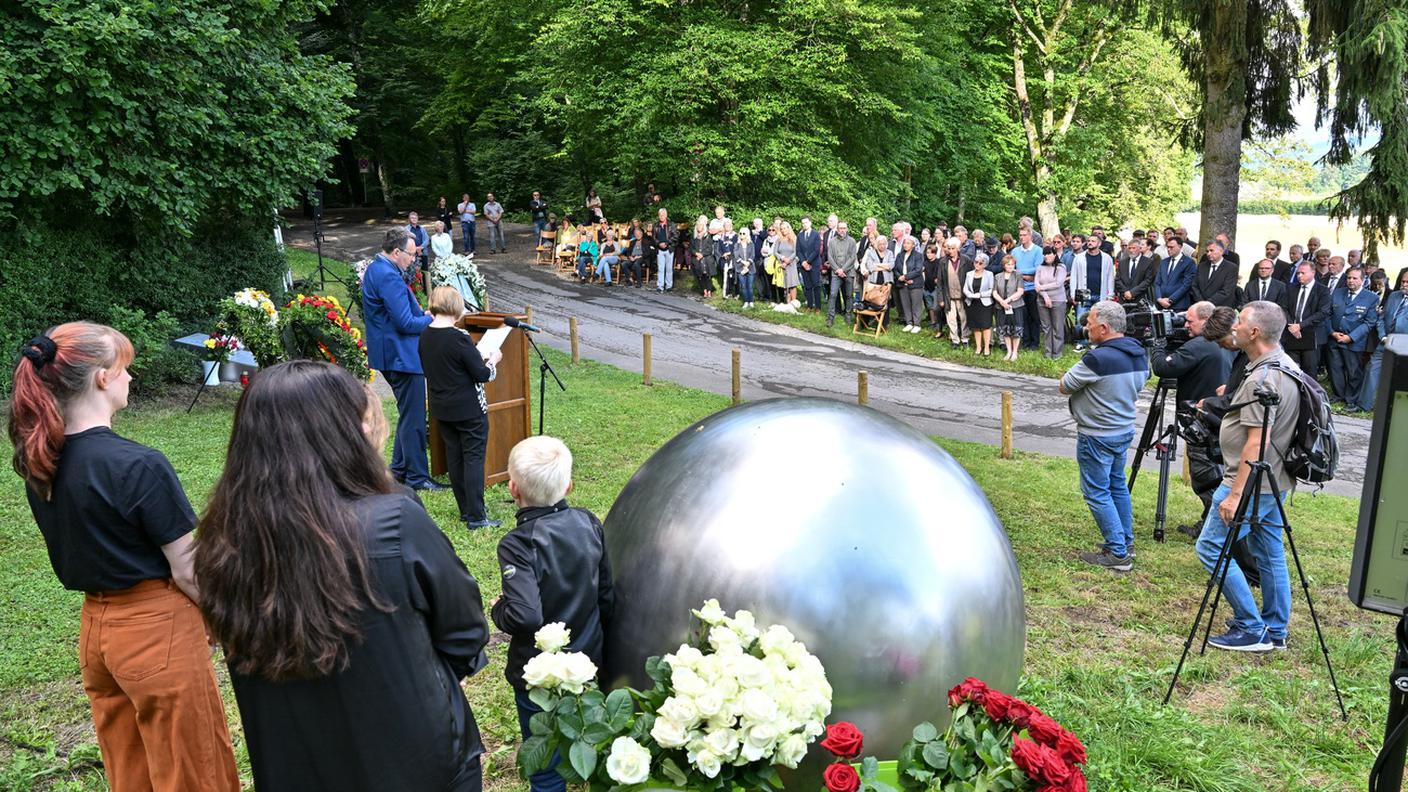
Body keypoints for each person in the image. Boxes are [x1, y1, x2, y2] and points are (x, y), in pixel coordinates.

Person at [194, 360, 490, 791]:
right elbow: (464, 634)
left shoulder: (220, 540)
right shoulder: (393, 520)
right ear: (339, 433)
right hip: (413, 760)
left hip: (296, 766)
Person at [8, 323, 241, 792]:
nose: (130, 379)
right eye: (124, 369)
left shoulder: (39, 461)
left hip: (97, 633)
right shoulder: (136, 464)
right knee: (194, 771)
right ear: (100, 378)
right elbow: (187, 566)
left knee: (129, 768)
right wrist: (227, 623)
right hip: (156, 629)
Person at [493, 436, 615, 792]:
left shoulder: (517, 544)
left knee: (545, 768)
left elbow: (526, 615)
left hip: (539, 678)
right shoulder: (589, 523)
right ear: (569, 486)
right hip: (588, 664)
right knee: (589, 742)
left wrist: (500, 609)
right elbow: (605, 594)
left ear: (513, 488)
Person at [1196, 301, 1299, 652]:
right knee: (1268, 549)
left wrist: (1234, 494)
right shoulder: (1283, 365)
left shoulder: (1263, 379)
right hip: (1276, 480)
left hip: (1251, 482)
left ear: (1254, 332)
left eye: (1240, 322)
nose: (1234, 327)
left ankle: (1251, 627)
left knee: (1210, 547)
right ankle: (1275, 629)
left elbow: (1258, 441)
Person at [1060, 301, 1148, 571]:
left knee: (1097, 492)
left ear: (1104, 328)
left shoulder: (1097, 358)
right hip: (1122, 429)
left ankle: (1117, 554)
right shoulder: (1139, 352)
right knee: (1117, 486)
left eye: (1089, 323)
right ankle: (1126, 544)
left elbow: (1065, 385)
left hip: (1097, 434)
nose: (1085, 327)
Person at [364, 230, 442, 490]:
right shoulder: (387, 275)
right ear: (396, 252)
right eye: (411, 254)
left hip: (392, 353)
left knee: (408, 414)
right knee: (415, 418)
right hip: (401, 355)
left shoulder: (377, 269)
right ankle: (418, 477)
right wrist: (430, 318)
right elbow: (406, 323)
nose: (414, 259)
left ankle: (398, 470)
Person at [420, 286, 504, 528]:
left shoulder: (425, 336)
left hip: (441, 408)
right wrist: (493, 360)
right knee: (473, 459)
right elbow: (481, 374)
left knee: (454, 458)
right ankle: (477, 516)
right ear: (456, 307)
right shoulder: (459, 338)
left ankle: (466, 510)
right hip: (468, 409)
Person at [1353, 268, 1408, 411]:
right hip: (1386, 342)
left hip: (1405, 347)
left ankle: (1395, 409)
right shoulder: (1394, 296)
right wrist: (1383, 336)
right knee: (1371, 369)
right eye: (1403, 281)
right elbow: (1381, 318)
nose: (1404, 284)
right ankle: (1364, 405)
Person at [1326, 267, 1379, 403]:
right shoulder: (1337, 293)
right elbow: (1327, 315)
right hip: (1334, 338)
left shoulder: (1371, 298)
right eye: (1349, 278)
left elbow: (1369, 322)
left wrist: (1351, 337)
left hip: (1354, 342)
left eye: (1355, 278)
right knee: (1335, 369)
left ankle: (1351, 399)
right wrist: (1332, 332)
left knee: (1353, 372)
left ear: (1362, 280)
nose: (1351, 281)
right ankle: (1339, 395)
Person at [1070, 233, 1115, 340]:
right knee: (1081, 318)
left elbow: (1110, 277)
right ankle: (1082, 342)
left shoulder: (1106, 258)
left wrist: (1110, 294)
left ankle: (1097, 341)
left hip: (1100, 292)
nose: (1090, 243)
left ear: (1099, 243)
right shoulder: (1080, 258)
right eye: (1089, 241)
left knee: (1100, 319)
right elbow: (1074, 276)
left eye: (1093, 241)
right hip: (1083, 292)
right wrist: (1073, 294)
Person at [1011, 227, 1043, 349]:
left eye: (1024, 235)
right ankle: (1025, 342)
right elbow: (1010, 266)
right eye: (1020, 235)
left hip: (1032, 288)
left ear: (1030, 236)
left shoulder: (1038, 250)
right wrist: (1024, 275)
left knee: (1034, 317)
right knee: (1022, 316)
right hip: (1019, 288)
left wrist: (1019, 272)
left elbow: (1038, 268)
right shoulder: (1015, 251)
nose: (1021, 237)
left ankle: (1034, 343)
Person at [938, 236, 973, 345]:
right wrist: (941, 298)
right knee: (951, 319)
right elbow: (940, 282)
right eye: (948, 248)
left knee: (964, 318)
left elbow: (971, 277)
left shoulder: (966, 260)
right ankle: (955, 340)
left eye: (953, 248)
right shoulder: (943, 262)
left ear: (958, 248)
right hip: (948, 295)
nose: (950, 250)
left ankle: (965, 338)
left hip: (963, 295)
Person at [1034, 245, 1068, 358]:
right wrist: (1045, 296)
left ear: (1054, 254)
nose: (1046, 256)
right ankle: (1048, 352)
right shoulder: (1040, 268)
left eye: (1048, 253)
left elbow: (1058, 283)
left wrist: (1043, 288)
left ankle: (1057, 353)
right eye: (1044, 254)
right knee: (1046, 327)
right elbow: (1037, 285)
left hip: (1058, 300)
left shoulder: (1061, 267)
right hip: (1042, 301)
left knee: (1057, 327)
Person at [993, 254, 1025, 361]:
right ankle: (1009, 351)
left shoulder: (1018, 275)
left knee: (1016, 329)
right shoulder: (997, 276)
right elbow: (994, 292)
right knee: (1005, 329)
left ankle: (1015, 352)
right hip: (1001, 306)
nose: (1010, 266)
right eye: (1008, 264)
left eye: (1012, 264)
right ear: (1004, 265)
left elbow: (1020, 291)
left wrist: (1008, 300)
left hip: (1015, 306)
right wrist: (1002, 302)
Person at [826, 220, 858, 327]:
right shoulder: (832, 241)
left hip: (848, 272)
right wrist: (838, 270)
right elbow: (830, 257)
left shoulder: (852, 241)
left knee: (849, 295)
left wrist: (843, 270)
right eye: (840, 228)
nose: (842, 230)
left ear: (847, 229)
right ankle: (830, 317)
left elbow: (852, 257)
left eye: (844, 228)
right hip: (836, 273)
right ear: (837, 229)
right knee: (833, 294)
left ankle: (848, 315)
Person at [963, 253, 995, 356]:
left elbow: (991, 290)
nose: (977, 264)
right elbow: (965, 288)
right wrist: (970, 295)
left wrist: (980, 295)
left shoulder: (989, 274)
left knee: (985, 326)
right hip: (972, 303)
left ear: (985, 264)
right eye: (976, 262)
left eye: (980, 263)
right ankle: (978, 347)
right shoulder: (969, 274)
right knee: (975, 326)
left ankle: (986, 348)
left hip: (985, 304)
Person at [1192, 240, 1238, 308]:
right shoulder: (1201, 266)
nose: (1208, 254)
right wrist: (1201, 302)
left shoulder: (1231, 268)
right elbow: (1194, 286)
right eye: (1207, 251)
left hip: (1220, 308)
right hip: (1200, 306)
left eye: (1211, 250)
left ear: (1221, 251)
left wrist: (1207, 304)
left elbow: (1226, 291)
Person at [895, 235, 925, 333]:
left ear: (913, 245)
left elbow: (918, 270)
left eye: (908, 243)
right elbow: (896, 268)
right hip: (902, 283)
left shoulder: (918, 255)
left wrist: (906, 277)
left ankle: (916, 324)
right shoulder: (900, 255)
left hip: (915, 283)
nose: (905, 245)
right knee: (905, 304)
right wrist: (900, 277)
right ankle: (909, 323)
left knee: (916, 304)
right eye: (904, 243)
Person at [1115, 236, 1156, 304]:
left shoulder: (1148, 262)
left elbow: (1148, 280)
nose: (1131, 250)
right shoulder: (1122, 262)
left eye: (1134, 248)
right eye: (1129, 248)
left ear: (1140, 248)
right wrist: (1126, 292)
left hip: (1140, 300)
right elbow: (1117, 279)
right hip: (1124, 299)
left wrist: (1133, 293)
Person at [797, 217, 823, 311]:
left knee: (816, 286)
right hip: (803, 264)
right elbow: (798, 250)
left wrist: (808, 261)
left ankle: (818, 307)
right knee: (807, 286)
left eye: (806, 222)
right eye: (803, 223)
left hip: (814, 264)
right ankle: (809, 305)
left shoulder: (816, 234)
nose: (804, 224)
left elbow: (816, 250)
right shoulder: (800, 235)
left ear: (810, 223)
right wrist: (803, 262)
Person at [653, 208, 676, 292]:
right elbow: (654, 237)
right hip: (659, 249)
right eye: (660, 215)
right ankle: (660, 286)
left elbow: (675, 236)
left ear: (666, 215)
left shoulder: (671, 224)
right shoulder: (655, 225)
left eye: (663, 215)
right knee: (660, 268)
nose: (661, 216)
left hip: (669, 248)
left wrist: (666, 243)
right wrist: (659, 243)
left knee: (669, 268)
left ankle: (669, 286)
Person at [777, 221, 799, 305]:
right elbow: (776, 252)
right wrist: (782, 258)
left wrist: (788, 260)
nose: (783, 230)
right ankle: (787, 302)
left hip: (791, 264)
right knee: (785, 284)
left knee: (792, 284)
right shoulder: (779, 239)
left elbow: (796, 251)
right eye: (781, 229)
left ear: (788, 228)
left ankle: (794, 303)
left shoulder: (794, 238)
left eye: (784, 228)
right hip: (782, 264)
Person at [735, 228, 756, 308]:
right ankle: (746, 301)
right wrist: (743, 262)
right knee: (743, 286)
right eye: (740, 233)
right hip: (740, 267)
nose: (742, 235)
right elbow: (736, 255)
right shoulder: (737, 244)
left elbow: (753, 255)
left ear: (747, 234)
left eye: (743, 233)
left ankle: (751, 301)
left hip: (750, 267)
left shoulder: (751, 244)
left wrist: (748, 262)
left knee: (750, 286)